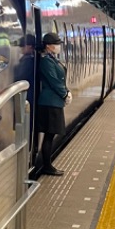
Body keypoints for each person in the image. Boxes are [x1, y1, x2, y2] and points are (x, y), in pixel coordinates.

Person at [36, 31, 71, 176]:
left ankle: (48, 165)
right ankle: (47, 166)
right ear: (49, 46)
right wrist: (65, 93)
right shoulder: (46, 61)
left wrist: (66, 91)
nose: (58, 47)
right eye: (56, 44)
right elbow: (54, 81)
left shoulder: (51, 59)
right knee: (50, 135)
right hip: (49, 102)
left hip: (54, 102)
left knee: (51, 134)